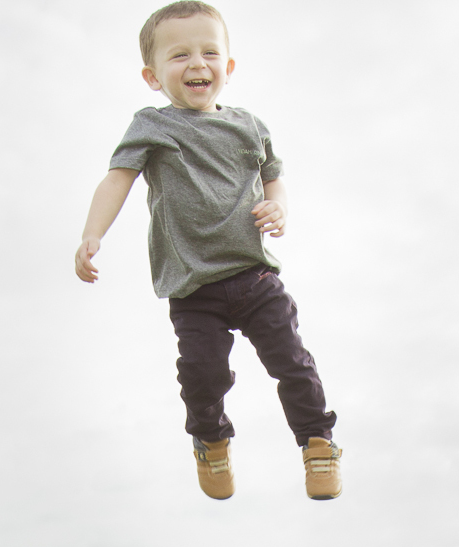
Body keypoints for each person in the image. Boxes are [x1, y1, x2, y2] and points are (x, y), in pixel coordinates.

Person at [74, 1, 341, 502]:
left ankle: (318, 443)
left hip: (255, 276)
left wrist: (278, 208)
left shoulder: (249, 125)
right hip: (194, 287)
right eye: (179, 56)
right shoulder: (153, 125)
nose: (197, 64)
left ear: (229, 66)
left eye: (209, 52)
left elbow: (273, 178)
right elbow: (118, 179)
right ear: (153, 77)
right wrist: (93, 233)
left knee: (293, 363)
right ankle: (211, 439)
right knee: (202, 374)